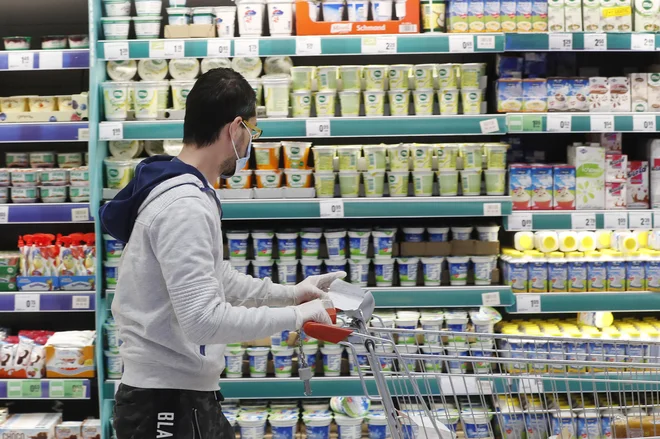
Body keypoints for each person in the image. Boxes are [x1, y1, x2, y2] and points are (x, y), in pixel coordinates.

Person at [100, 68, 345, 439]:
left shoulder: (183, 190)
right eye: (253, 132)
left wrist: (293, 293)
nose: (250, 144)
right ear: (235, 129)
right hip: (166, 404)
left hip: (177, 394)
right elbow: (204, 322)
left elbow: (216, 277)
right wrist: (296, 316)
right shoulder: (185, 205)